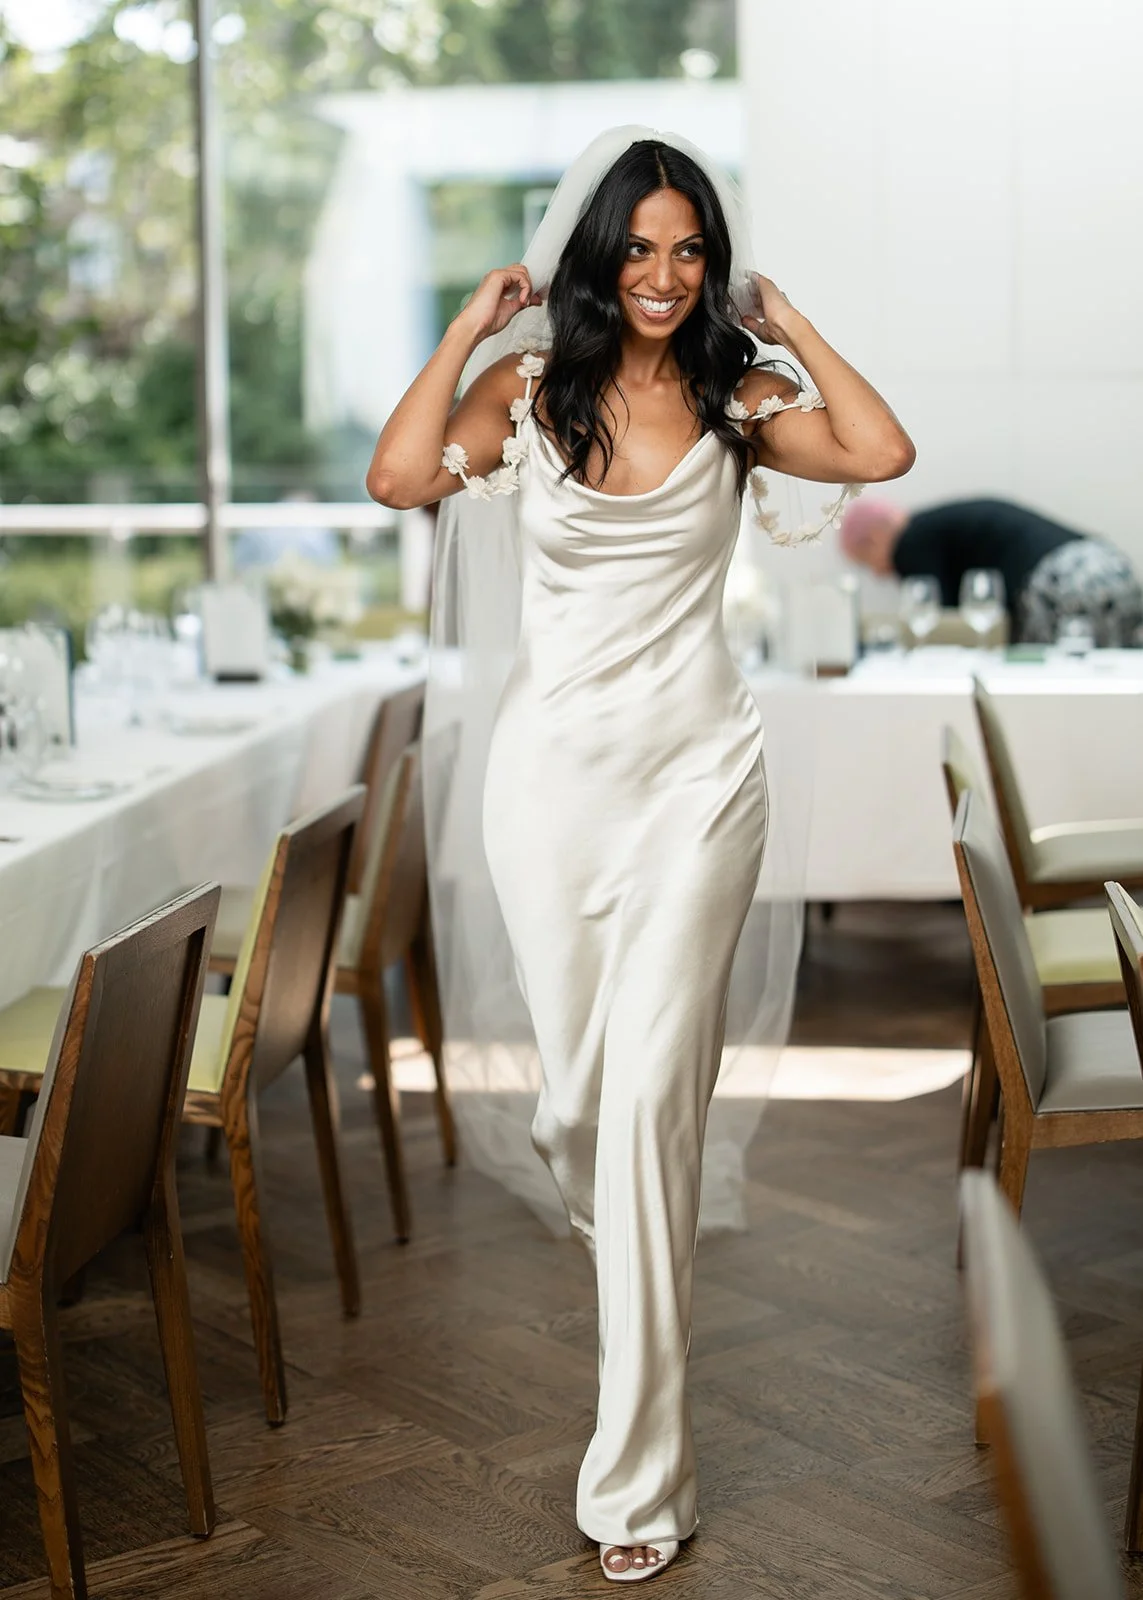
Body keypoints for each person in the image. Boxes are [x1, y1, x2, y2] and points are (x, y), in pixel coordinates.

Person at [367, 129, 913, 1583]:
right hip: (546, 792)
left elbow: (877, 453)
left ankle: (636, 1485)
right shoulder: (529, 396)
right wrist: (464, 331)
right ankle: (611, 1205)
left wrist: (789, 325)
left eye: (688, 249)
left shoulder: (743, 397)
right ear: (595, 256)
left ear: (707, 262)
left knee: (650, 1117)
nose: (663, 274)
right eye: (640, 247)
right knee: (577, 1114)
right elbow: (396, 477)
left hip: (696, 786)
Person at [839, 495, 1143, 646]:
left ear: (876, 537)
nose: (877, 574)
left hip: (1060, 583)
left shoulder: (909, 541)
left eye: (866, 561)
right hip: (1105, 565)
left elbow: (937, 620)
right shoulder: (938, 526)